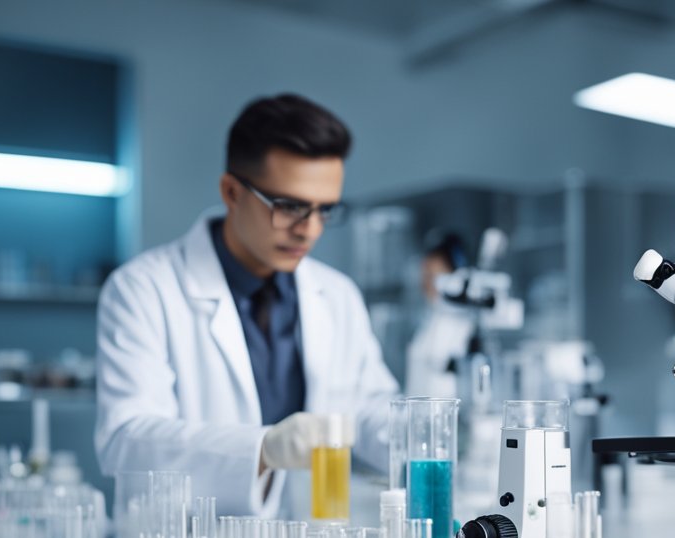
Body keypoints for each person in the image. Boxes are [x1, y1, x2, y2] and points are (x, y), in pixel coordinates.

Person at [96, 94, 398, 515]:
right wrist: (262, 448)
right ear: (232, 192)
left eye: (325, 210)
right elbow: (125, 441)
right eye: (289, 206)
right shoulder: (143, 289)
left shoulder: (338, 295)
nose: (308, 230)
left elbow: (366, 407)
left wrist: (422, 440)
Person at [404, 230, 475, 398]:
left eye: (433, 276)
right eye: (424, 275)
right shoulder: (430, 320)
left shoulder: (465, 324)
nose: (426, 283)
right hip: (418, 416)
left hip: (448, 416)